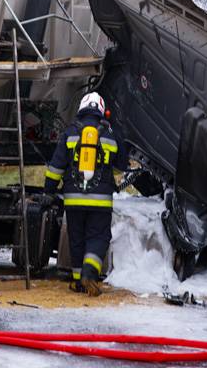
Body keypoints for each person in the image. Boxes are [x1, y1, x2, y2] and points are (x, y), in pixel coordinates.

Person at [43, 91, 124, 296]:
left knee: (76, 237)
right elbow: (119, 166)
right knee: (98, 236)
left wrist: (49, 191)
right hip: (101, 200)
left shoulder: (70, 133)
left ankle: (78, 280)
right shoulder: (108, 135)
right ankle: (89, 274)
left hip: (73, 199)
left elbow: (56, 167)